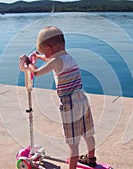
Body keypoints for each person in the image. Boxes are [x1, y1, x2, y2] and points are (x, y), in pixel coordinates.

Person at [19, 26, 97, 169]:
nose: (45, 55)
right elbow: (51, 59)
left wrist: (28, 62)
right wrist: (38, 55)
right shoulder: (68, 57)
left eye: (44, 52)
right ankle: (91, 158)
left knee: (73, 143)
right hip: (82, 98)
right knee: (87, 133)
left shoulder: (55, 61)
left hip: (70, 103)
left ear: (49, 49)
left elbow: (36, 72)